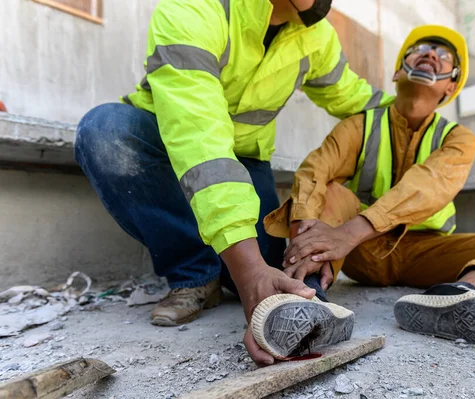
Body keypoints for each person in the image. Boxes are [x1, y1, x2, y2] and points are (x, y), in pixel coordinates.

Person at [74, 0, 393, 366]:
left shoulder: (316, 36)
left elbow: (355, 98)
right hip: (166, 141)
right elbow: (199, 135)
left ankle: (235, 274)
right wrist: (248, 271)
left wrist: (417, 115)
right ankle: (194, 274)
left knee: (270, 263)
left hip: (246, 159)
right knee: (106, 132)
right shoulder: (197, 8)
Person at [263, 25, 475, 350]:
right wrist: (305, 237)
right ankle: (308, 298)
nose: (429, 55)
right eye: (420, 49)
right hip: (360, 254)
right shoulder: (360, 125)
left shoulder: (458, 139)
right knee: (325, 192)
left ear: (451, 85)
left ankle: (458, 297)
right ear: (398, 70)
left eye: (442, 56)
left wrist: (346, 234)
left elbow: (428, 186)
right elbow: (314, 172)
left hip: (427, 253)